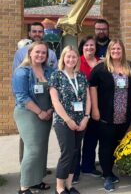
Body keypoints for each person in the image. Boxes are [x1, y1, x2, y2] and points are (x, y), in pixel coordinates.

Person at [89, 39, 131, 192]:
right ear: (109, 51)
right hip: (106, 115)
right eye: (113, 49)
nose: (116, 52)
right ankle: (107, 176)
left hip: (125, 115)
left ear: (122, 50)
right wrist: (95, 109)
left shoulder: (130, 67)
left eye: (119, 49)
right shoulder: (101, 68)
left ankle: (110, 171)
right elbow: (92, 87)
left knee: (116, 144)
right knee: (106, 145)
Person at [12, 22, 58, 166]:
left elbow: (55, 79)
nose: (37, 34)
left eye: (40, 31)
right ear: (30, 33)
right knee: (30, 145)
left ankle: (38, 174)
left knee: (41, 145)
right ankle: (25, 174)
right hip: (28, 108)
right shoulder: (20, 55)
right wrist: (34, 109)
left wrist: (50, 109)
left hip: (46, 108)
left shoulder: (51, 55)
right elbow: (19, 85)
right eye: (34, 31)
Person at [12, 41, 54, 194]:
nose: (40, 55)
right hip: (28, 113)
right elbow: (22, 97)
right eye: (37, 52)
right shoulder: (22, 72)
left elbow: (55, 93)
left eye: (43, 53)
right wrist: (40, 112)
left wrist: (50, 110)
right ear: (30, 53)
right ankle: (24, 187)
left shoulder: (49, 71)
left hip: (46, 113)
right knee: (33, 149)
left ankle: (36, 181)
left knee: (42, 149)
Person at [49, 46, 91, 194]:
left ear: (77, 59)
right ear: (63, 58)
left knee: (75, 152)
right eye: (68, 57)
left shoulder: (81, 76)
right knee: (67, 153)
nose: (71, 59)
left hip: (81, 121)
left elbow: (88, 98)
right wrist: (68, 120)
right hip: (63, 122)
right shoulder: (56, 75)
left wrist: (86, 117)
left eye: (74, 57)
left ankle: (69, 184)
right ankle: (59, 188)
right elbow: (55, 102)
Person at [73, 36, 101, 183]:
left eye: (92, 45)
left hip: (96, 105)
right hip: (80, 107)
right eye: (86, 45)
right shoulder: (77, 61)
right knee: (77, 140)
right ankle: (74, 171)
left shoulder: (101, 62)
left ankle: (88, 166)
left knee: (92, 138)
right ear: (82, 47)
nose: (89, 48)